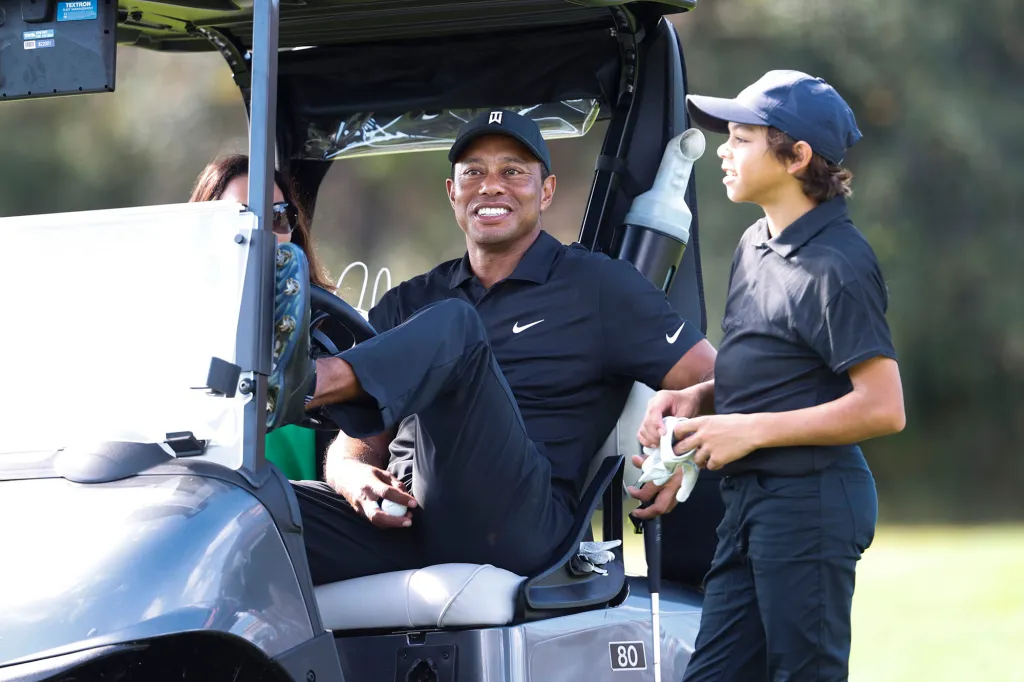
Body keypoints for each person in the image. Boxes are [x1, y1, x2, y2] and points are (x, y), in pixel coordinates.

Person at [267, 109, 719, 585]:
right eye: (473, 173)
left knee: (457, 328)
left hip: (518, 526)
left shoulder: (601, 287)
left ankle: (304, 382)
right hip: (405, 521)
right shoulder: (412, 297)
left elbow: (720, 379)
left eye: (513, 172)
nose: (490, 186)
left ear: (545, 191)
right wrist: (349, 476)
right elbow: (360, 439)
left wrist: (683, 443)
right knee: (249, 510)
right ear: (453, 193)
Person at [638, 71, 906, 681]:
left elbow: (883, 406)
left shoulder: (840, 263)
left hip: (811, 505)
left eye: (739, 138)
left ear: (797, 156)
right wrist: (700, 395)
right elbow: (772, 368)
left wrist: (748, 430)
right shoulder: (755, 241)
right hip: (748, 504)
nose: (724, 153)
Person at [190, 154, 334, 481]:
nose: (261, 233)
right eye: (241, 216)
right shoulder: (174, 336)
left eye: (277, 216)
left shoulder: (329, 333)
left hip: (299, 519)